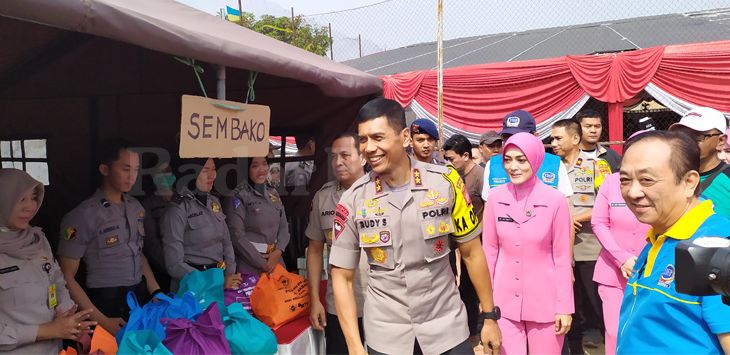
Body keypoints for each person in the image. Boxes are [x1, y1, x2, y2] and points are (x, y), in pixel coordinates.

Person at [329, 98, 501, 355]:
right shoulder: (353, 199)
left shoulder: (446, 183)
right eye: (363, 140)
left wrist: (489, 317)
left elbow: (472, 253)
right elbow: (341, 277)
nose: (369, 148)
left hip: (447, 330)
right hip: (387, 338)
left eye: (378, 137)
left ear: (405, 136)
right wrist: (354, 346)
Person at [616, 130, 730, 354]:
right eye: (625, 180)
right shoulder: (661, 234)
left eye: (647, 180)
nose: (633, 192)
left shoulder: (716, 249)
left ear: (689, 182)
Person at [482, 132, 574, 355]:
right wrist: (486, 305)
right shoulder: (495, 198)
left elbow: (562, 257)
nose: (513, 167)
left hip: (546, 304)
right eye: (508, 159)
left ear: (535, 159)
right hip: (503, 304)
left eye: (521, 160)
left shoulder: (555, 201)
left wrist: (564, 307)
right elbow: (489, 252)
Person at [57, 139, 160, 335]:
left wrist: (155, 291)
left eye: (136, 170)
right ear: (105, 169)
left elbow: (138, 253)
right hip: (104, 304)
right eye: (125, 169)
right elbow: (66, 276)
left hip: (138, 298)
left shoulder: (136, 208)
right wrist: (101, 320)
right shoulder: (82, 215)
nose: (132, 177)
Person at [0, 168, 96, 354]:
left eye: (34, 197)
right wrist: (44, 331)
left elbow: (56, 279)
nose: (31, 206)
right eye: (21, 199)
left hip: (54, 349)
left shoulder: (37, 239)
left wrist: (69, 315)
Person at [306, 132, 369, 354]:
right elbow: (314, 250)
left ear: (363, 158)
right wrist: (315, 299)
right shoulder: (323, 197)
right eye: (334, 156)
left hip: (380, 306)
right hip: (339, 306)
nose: (338, 162)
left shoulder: (381, 192)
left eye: (345, 155)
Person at [550, 119, 609, 353]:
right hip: (559, 251)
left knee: (597, 306)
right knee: (567, 305)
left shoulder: (597, 166)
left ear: (575, 139)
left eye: (558, 138)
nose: (553, 143)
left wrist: (574, 219)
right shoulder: (548, 169)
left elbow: (608, 205)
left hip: (588, 249)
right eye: (551, 139)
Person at [591, 169, 650, 355]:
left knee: (647, 332)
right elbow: (599, 223)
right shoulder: (610, 182)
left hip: (652, 272)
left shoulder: (662, 180)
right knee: (615, 332)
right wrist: (621, 258)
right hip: (612, 273)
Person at [160, 158, 240, 291]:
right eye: (205, 170)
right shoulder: (177, 209)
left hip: (221, 282)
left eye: (213, 169)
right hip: (192, 288)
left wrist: (230, 274)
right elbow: (174, 264)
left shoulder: (214, 201)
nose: (212, 175)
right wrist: (215, 282)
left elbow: (227, 242)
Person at [443, 133, 485, 347]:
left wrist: (476, 236)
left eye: (452, 159)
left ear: (466, 156)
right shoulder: (451, 177)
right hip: (458, 242)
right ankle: (470, 332)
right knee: (464, 289)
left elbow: (488, 209)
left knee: (476, 286)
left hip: (480, 243)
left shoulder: (480, 176)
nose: (448, 163)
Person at [482, 110, 573, 202]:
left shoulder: (555, 164)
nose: (513, 140)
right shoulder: (492, 165)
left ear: (535, 136)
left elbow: (565, 208)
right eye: (507, 137)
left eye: (520, 136)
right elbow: (488, 206)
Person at [224, 157, 290, 274]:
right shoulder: (238, 196)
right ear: (246, 169)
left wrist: (279, 251)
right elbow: (237, 236)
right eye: (255, 166)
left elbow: (284, 226)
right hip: (250, 265)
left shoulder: (272, 193)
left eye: (264, 164)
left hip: (276, 262)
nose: (262, 170)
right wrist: (262, 263)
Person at [669, 107, 730, 219]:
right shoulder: (667, 175)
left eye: (697, 136)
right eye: (681, 136)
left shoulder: (727, 178)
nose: (686, 142)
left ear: (721, 141)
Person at [141, 161, 175, 293]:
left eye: (167, 171)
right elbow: (151, 244)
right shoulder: (147, 205)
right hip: (164, 270)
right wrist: (172, 266)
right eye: (159, 173)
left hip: (191, 266)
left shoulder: (184, 199)